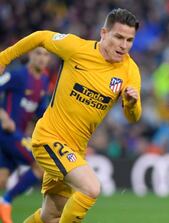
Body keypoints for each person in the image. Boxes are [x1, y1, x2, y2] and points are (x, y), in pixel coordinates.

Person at [0, 8, 142, 223]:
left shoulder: (130, 71)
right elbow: (41, 37)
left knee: (51, 216)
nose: (124, 45)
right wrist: (3, 59)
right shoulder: (76, 48)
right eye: (118, 37)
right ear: (104, 33)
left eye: (130, 40)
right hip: (49, 138)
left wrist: (132, 104)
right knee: (91, 188)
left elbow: (133, 117)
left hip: (75, 150)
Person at [0, 47, 50, 223]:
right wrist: (3, 116)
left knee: (2, 179)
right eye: (38, 53)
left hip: (17, 135)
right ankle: (6, 201)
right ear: (30, 54)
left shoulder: (44, 80)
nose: (42, 58)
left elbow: (39, 110)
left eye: (45, 55)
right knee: (41, 165)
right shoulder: (17, 76)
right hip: (7, 133)